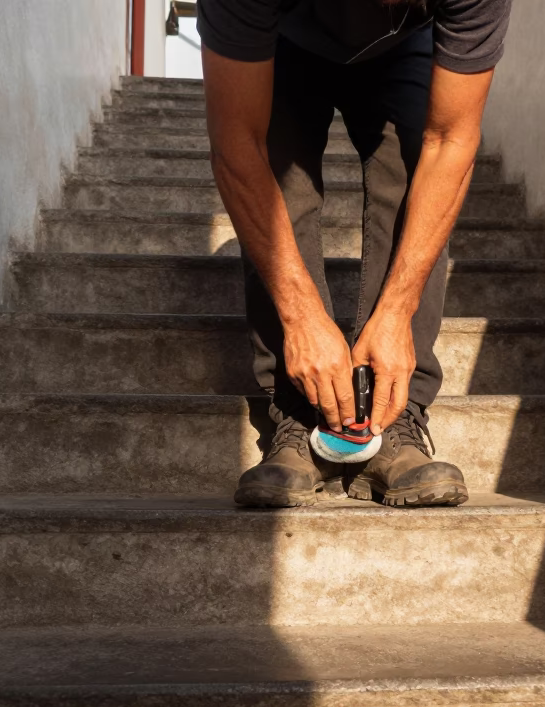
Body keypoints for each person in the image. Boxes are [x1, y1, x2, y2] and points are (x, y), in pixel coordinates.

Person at [197, 0, 512, 508]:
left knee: (415, 173)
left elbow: (451, 139)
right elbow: (237, 145)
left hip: (408, 44)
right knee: (280, 178)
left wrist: (396, 314)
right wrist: (302, 319)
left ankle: (395, 417)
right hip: (281, 39)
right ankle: (299, 416)